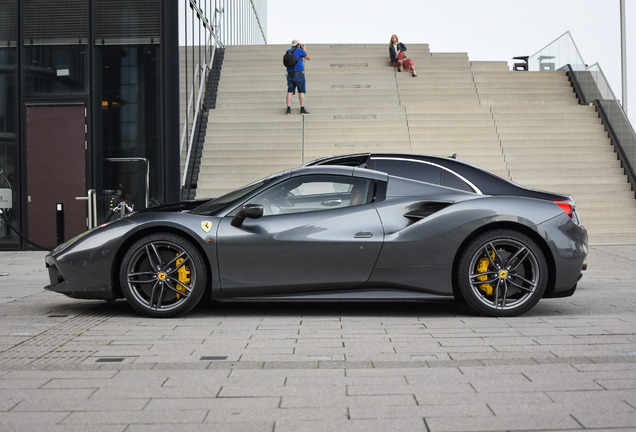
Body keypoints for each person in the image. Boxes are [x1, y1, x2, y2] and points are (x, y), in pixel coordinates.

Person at [285, 39, 311, 115]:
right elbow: (308, 57)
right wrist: (304, 50)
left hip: (290, 73)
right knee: (301, 91)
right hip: (299, 73)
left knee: (290, 91)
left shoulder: (288, 51)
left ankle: (288, 109)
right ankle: (302, 109)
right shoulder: (300, 51)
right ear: (298, 45)